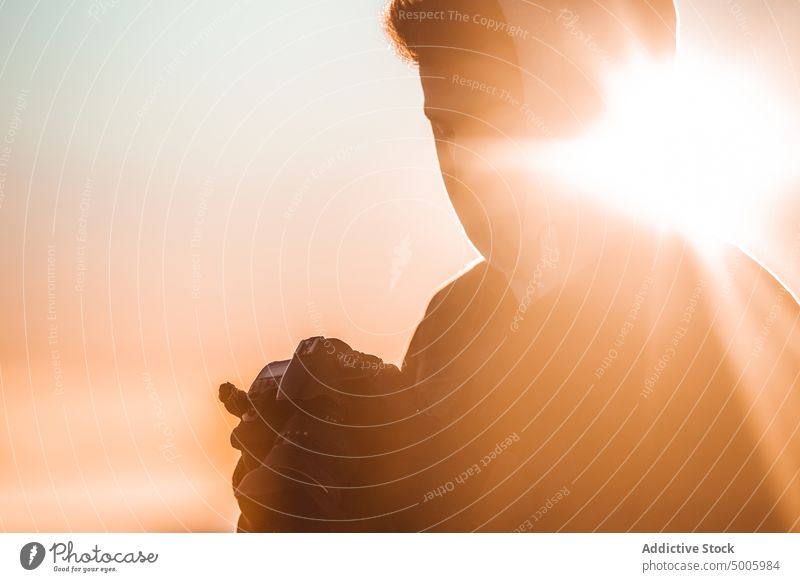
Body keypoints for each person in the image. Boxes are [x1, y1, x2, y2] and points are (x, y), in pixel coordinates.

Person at [358, 0, 800, 532]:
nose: (462, 165)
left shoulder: (748, 335)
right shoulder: (448, 327)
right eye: (445, 129)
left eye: (493, 119)